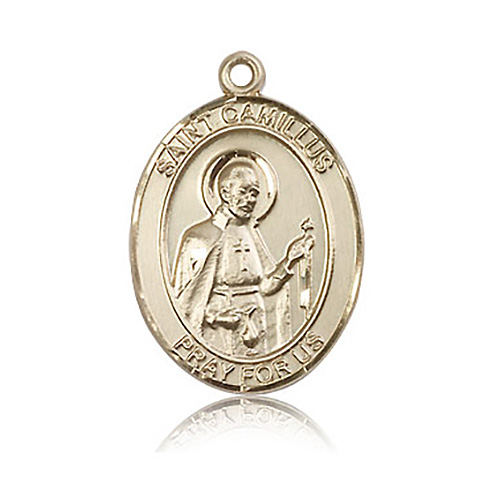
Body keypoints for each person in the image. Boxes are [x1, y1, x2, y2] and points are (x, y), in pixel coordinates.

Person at [173, 157, 314, 356]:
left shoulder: (250, 232)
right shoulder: (200, 238)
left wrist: (290, 259)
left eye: (254, 193)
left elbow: (266, 286)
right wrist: (215, 317)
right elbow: (184, 305)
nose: (250, 200)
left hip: (257, 325)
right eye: (243, 192)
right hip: (221, 334)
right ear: (225, 193)